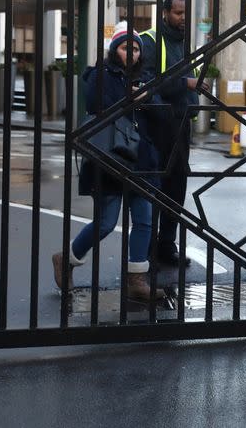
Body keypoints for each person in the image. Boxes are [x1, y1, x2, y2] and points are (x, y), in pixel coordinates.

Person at [52, 24, 165, 301]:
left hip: (141, 160)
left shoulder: (145, 78)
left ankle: (136, 279)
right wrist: (132, 99)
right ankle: (66, 259)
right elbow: (97, 107)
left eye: (136, 49)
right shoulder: (101, 75)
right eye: (127, 48)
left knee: (144, 221)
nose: (133, 54)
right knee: (105, 223)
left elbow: (161, 114)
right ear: (115, 49)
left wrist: (147, 98)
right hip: (111, 160)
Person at [139, 0, 208, 267]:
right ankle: (145, 248)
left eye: (185, 13)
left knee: (176, 187)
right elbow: (147, 83)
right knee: (153, 187)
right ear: (165, 13)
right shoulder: (150, 41)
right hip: (157, 125)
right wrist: (185, 84)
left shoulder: (183, 41)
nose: (183, 18)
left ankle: (167, 246)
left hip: (181, 125)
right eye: (178, 13)